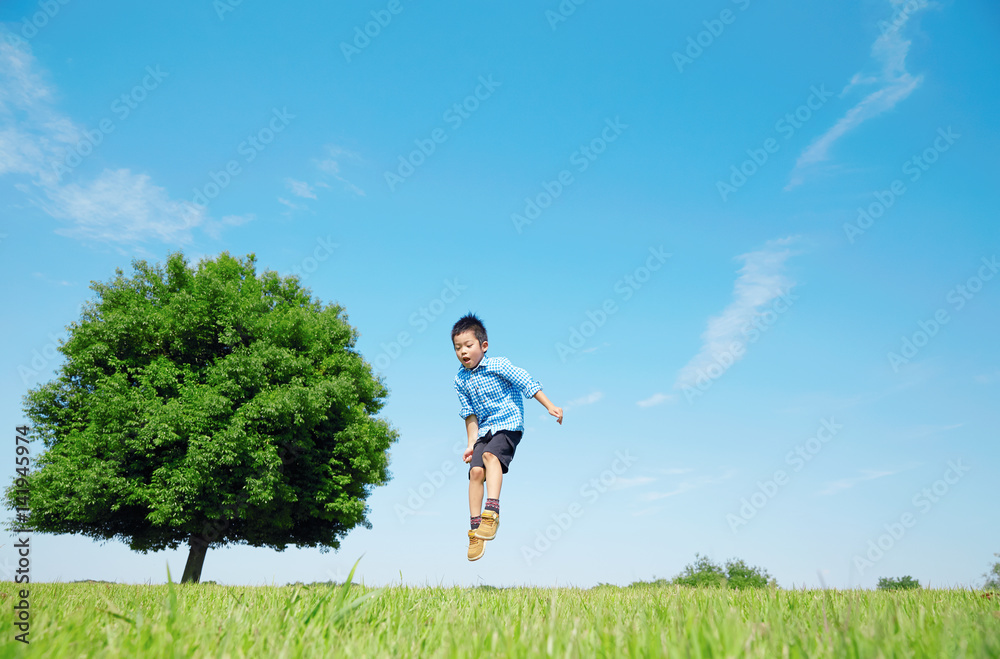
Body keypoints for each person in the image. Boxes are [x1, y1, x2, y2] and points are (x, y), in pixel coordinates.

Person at [451, 313, 563, 561]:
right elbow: (469, 414)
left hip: (508, 424)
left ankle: (491, 513)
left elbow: (526, 382)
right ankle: (475, 529)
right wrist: (470, 444)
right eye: (458, 348)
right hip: (484, 431)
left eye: (468, 346)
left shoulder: (499, 365)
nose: (463, 352)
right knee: (475, 472)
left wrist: (549, 405)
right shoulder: (460, 379)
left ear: (483, 346)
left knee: (492, 456)